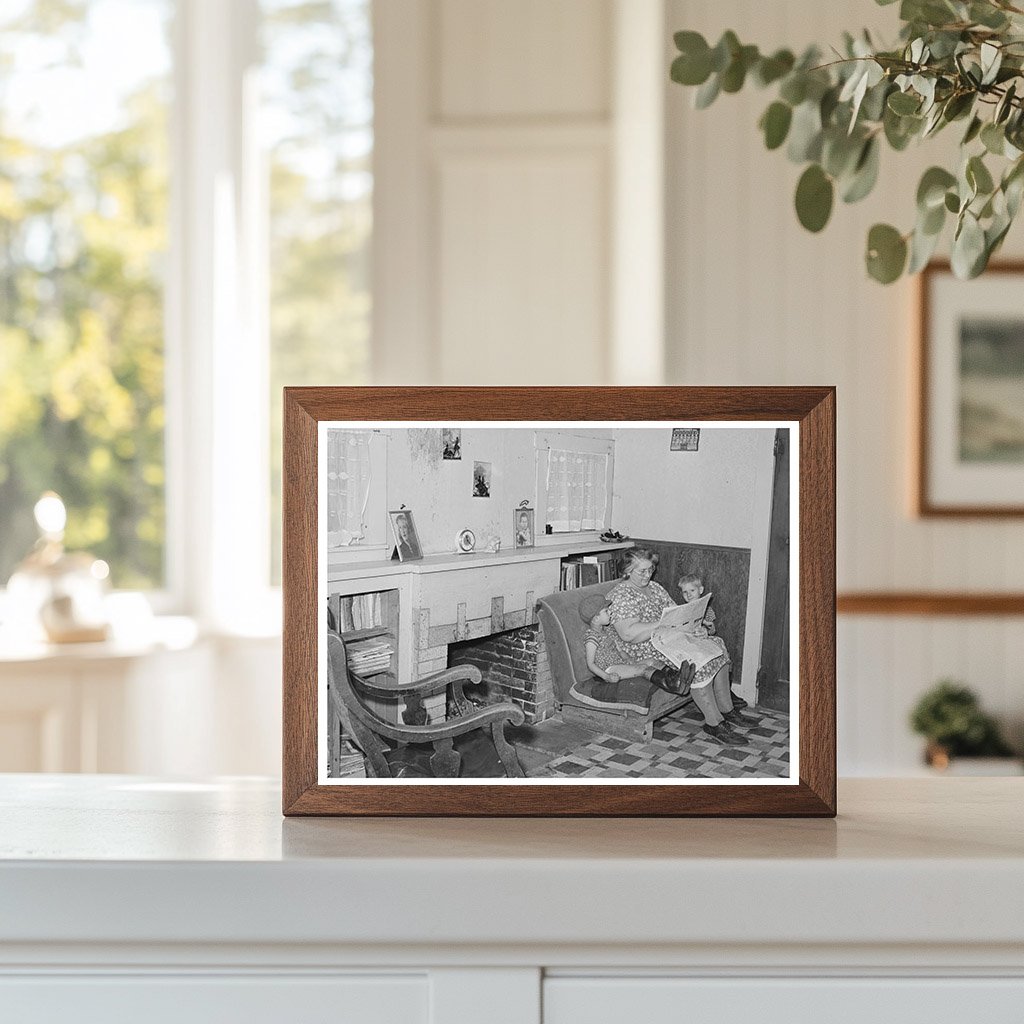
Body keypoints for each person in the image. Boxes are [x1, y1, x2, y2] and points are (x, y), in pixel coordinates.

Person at [607, 548, 742, 744]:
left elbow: (678, 613)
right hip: (644, 647)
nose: (648, 575)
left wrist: (698, 628)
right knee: (696, 661)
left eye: (650, 569)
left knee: (716, 644)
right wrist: (661, 623)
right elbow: (628, 635)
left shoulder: (655, 587)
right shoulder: (621, 595)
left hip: (667, 637)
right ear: (627, 571)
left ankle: (727, 709)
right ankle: (714, 723)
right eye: (642, 571)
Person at [679, 572, 749, 716]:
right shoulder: (682, 610)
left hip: (704, 638)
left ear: (701, 590)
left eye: (692, 590)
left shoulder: (707, 610)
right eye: (685, 592)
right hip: (689, 641)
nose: (689, 595)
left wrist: (706, 628)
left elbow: (712, 630)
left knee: (719, 644)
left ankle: (726, 691)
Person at [579, 594, 677, 689]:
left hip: (621, 662)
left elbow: (619, 650)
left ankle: (678, 677)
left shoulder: (608, 630)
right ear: (596, 619)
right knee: (642, 668)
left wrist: (629, 659)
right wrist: (606, 677)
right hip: (610, 669)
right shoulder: (592, 638)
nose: (610, 613)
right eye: (606, 611)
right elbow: (591, 664)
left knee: (651, 661)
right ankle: (673, 685)